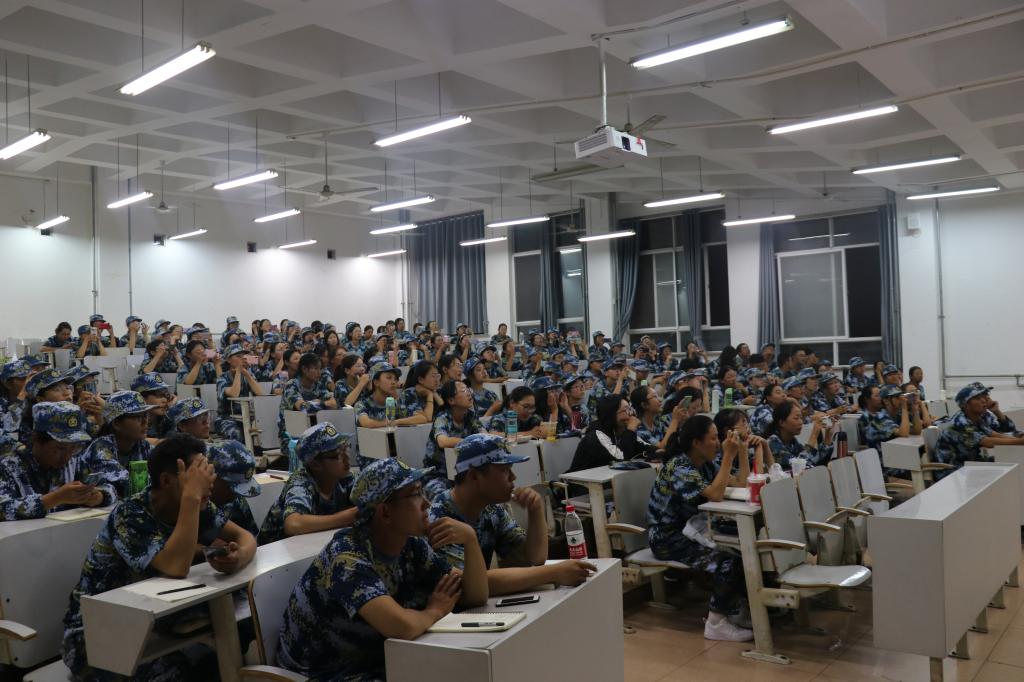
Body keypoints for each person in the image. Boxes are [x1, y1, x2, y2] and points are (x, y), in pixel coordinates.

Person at [61, 434, 257, 680]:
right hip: (96, 636)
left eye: (207, 472)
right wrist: (192, 497)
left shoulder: (197, 505)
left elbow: (245, 537)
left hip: (154, 619)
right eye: (196, 475)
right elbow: (175, 567)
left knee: (236, 642)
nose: (208, 481)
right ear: (166, 480)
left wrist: (239, 557)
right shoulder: (129, 514)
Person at [275, 458, 488, 681]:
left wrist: (470, 540)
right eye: (416, 494)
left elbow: (474, 596)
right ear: (385, 513)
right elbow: (401, 627)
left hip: (377, 661)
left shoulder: (411, 545)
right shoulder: (347, 557)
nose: (426, 503)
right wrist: (434, 611)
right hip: (324, 674)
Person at [429, 434, 595, 594]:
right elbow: (468, 583)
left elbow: (533, 558)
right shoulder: (441, 517)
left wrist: (535, 510)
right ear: (474, 476)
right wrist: (553, 573)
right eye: (504, 470)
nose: (513, 477)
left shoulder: (492, 509)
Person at [646, 415, 752, 641]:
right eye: (713, 438)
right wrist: (728, 456)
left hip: (694, 530)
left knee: (743, 549)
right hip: (667, 538)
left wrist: (742, 451)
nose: (718, 443)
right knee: (728, 561)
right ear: (696, 442)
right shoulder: (679, 466)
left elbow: (741, 483)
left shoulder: (704, 463)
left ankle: (733, 610)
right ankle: (716, 623)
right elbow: (716, 494)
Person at [0, 402, 123, 520]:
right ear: (36, 439)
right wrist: (54, 499)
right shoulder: (9, 467)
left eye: (74, 447)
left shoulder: (75, 462)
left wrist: (99, 496)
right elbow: (3, 509)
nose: (67, 456)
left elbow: (111, 488)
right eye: (60, 448)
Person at [933, 384, 1024, 479]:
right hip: (951, 471)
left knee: (1009, 461)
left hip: (969, 464)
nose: (984, 400)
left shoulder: (977, 418)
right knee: (1006, 469)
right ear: (966, 405)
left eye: (983, 397)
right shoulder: (960, 422)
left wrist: (1018, 438)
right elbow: (987, 442)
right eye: (977, 398)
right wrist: (1019, 442)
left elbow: (994, 434)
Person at [422, 381, 486, 500]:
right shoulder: (442, 418)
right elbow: (443, 441)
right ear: (451, 400)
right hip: (438, 475)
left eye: (468, 389)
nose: (469, 393)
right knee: (445, 502)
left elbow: (484, 436)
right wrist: (471, 441)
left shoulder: (470, 416)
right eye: (463, 391)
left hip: (463, 474)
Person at [568, 395, 651, 474]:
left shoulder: (621, 430)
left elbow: (645, 447)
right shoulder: (596, 434)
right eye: (626, 410)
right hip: (580, 481)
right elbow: (621, 457)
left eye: (630, 408)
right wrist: (630, 430)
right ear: (611, 414)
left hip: (607, 479)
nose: (631, 413)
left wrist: (655, 453)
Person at [207, 439, 262, 537]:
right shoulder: (193, 502)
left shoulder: (236, 500)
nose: (234, 494)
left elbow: (253, 536)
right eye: (230, 487)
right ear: (211, 474)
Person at [215, 344, 266, 443]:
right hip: (226, 418)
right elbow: (234, 393)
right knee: (236, 434)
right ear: (228, 360)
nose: (242, 359)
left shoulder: (247, 375)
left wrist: (246, 374)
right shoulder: (222, 378)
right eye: (238, 356)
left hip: (246, 416)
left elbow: (261, 394)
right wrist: (238, 371)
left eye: (243, 356)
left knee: (263, 429)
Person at [355, 362, 421, 429]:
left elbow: (421, 418)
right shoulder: (362, 405)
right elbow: (367, 423)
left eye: (395, 379)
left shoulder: (396, 403)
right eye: (389, 378)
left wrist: (397, 422)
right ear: (376, 382)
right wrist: (391, 423)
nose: (394, 382)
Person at [768, 401, 831, 469]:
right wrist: (814, 435)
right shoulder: (772, 443)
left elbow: (814, 460)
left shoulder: (792, 442)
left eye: (801, 418)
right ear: (782, 422)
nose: (801, 422)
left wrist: (828, 435)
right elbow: (799, 466)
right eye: (796, 418)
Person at [857, 385, 913, 453]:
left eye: (901, 396)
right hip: (882, 457)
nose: (901, 400)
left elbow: (915, 430)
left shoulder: (897, 415)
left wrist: (916, 409)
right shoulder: (880, 418)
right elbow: (904, 433)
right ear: (886, 401)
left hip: (894, 452)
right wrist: (904, 407)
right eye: (897, 397)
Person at [630, 386, 688, 451]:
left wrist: (680, 422)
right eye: (655, 396)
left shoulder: (657, 421)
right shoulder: (638, 429)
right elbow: (660, 449)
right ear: (644, 405)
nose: (660, 400)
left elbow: (672, 439)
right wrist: (675, 420)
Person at [131, 372, 177, 439]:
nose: (165, 400)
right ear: (141, 397)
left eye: (166, 394)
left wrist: (171, 411)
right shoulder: (132, 423)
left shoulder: (163, 418)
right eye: (159, 395)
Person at [399, 360, 442, 425]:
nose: (437, 380)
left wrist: (434, 395)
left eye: (438, 376)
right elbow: (428, 418)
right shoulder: (409, 393)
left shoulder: (437, 391)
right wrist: (430, 395)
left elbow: (447, 413)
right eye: (433, 376)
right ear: (421, 380)